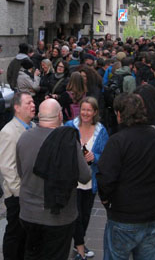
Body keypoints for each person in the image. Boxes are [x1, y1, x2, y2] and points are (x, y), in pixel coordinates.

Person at [16, 98, 91, 260]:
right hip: (59, 217)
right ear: (59, 116)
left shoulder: (24, 138)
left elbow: (21, 172)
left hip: (29, 213)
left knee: (32, 254)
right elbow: (85, 176)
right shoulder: (68, 141)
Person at [97, 94, 155, 260]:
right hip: (154, 211)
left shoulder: (118, 141)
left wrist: (106, 200)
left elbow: (106, 177)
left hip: (125, 215)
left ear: (120, 114)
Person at [64, 97, 109, 260]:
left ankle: (78, 243)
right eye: (83, 109)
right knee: (75, 215)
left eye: (89, 110)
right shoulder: (70, 127)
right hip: (73, 181)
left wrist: (94, 157)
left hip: (91, 182)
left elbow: (106, 156)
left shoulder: (101, 131)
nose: (85, 113)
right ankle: (80, 248)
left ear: (95, 112)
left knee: (85, 216)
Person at [0, 92, 36, 260]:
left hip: (32, 193)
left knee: (27, 236)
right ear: (17, 107)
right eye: (28, 103)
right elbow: (7, 167)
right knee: (15, 234)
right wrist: (19, 193)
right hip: (17, 195)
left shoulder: (34, 127)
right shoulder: (9, 132)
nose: (33, 105)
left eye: (33, 102)